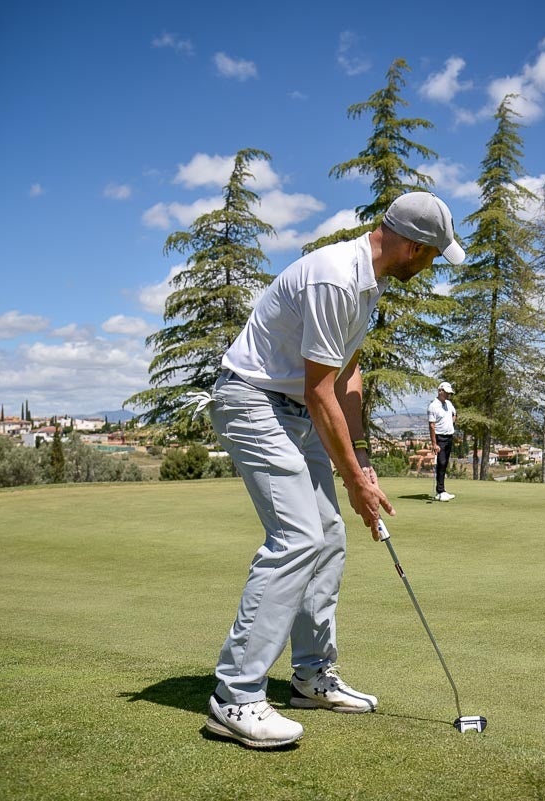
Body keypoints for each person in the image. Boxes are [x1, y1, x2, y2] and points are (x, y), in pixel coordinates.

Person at [203, 192, 465, 749]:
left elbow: (347, 378)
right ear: (414, 247)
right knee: (297, 535)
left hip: (294, 406)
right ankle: (235, 696)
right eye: (435, 254)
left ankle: (310, 676)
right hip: (252, 399)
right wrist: (351, 481)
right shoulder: (335, 279)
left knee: (328, 536)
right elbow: (318, 388)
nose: (434, 263)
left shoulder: (366, 286)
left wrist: (363, 465)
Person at [427, 381, 457, 501]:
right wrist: (434, 443)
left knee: (445, 464)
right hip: (440, 438)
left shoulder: (448, 404)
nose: (448, 395)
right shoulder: (433, 406)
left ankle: (442, 490)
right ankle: (440, 491)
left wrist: (451, 422)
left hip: (449, 436)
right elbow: (432, 426)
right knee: (441, 463)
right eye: (446, 393)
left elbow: (455, 414)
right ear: (440, 391)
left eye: (449, 393)